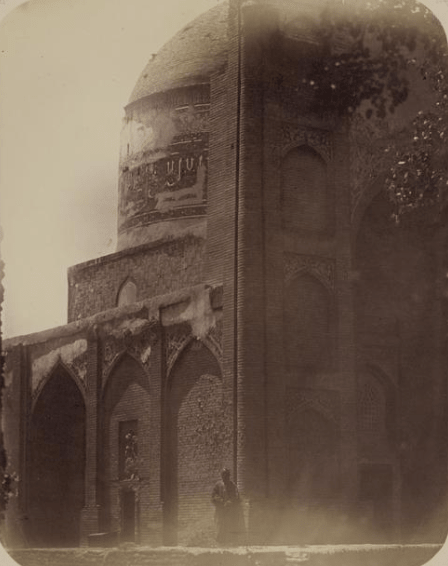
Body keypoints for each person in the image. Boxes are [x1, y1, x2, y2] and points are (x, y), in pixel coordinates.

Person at [211, 468, 241, 545]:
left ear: (229, 476)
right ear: (221, 476)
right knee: (220, 526)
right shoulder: (218, 485)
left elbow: (237, 496)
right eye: (223, 475)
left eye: (227, 475)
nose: (225, 477)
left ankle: (230, 543)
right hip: (221, 510)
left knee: (230, 525)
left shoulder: (232, 485)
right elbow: (213, 496)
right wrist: (221, 501)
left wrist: (230, 502)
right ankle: (220, 542)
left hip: (230, 510)